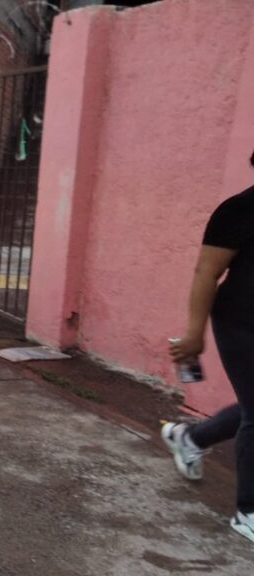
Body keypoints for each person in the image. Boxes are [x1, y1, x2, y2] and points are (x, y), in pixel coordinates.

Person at [164, 150, 254, 543]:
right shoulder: (238, 211)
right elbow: (206, 273)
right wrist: (194, 333)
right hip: (240, 322)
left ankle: (191, 438)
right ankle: (248, 512)